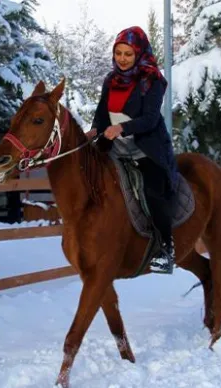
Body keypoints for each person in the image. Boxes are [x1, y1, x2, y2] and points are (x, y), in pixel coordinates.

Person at [85, 26, 180, 274]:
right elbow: (102, 114)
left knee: (152, 192)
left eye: (128, 53)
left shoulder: (152, 80)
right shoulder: (110, 79)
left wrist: (121, 128)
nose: (123, 59)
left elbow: (150, 119)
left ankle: (166, 249)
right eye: (118, 53)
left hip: (145, 149)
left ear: (138, 53)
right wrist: (95, 130)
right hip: (115, 148)